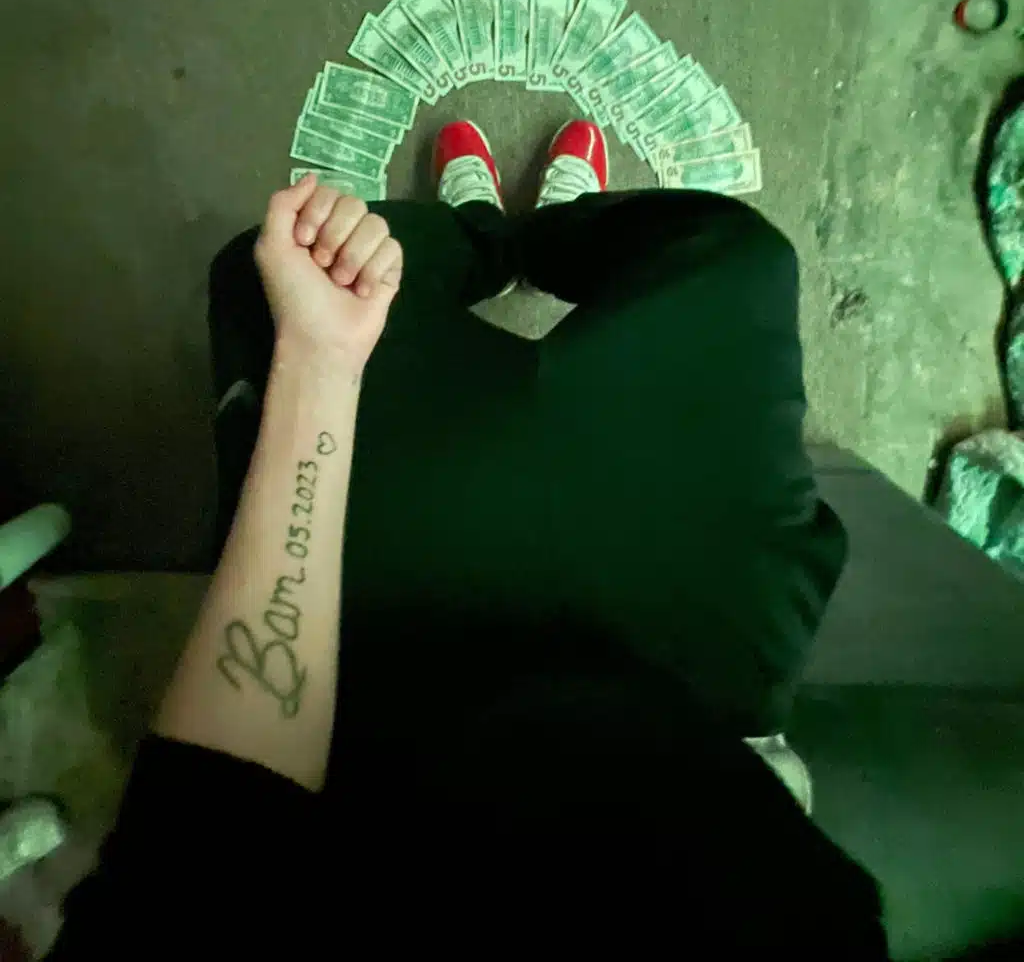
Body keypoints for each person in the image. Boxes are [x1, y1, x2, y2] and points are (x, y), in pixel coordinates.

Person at [49, 121, 888, 957]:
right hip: (689, 708)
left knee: (265, 276)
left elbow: (207, 846)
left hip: (386, 717)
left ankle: (473, 234)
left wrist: (319, 358)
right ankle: (529, 236)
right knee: (730, 256)